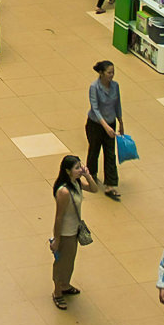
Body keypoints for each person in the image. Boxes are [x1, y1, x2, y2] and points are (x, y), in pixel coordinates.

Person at [50, 154, 97, 309]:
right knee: (62, 263)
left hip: (74, 231)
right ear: (68, 171)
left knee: (69, 261)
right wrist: (57, 240)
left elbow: (94, 189)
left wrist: (88, 176)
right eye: (77, 168)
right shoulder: (63, 192)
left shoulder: (76, 183)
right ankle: (57, 291)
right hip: (65, 233)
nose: (80, 169)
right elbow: (59, 218)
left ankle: (65, 285)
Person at [86, 60, 123, 200]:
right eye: (109, 73)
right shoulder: (94, 87)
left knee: (110, 153)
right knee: (94, 150)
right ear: (101, 73)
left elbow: (117, 104)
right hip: (96, 124)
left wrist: (120, 121)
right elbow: (95, 108)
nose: (111, 75)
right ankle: (91, 175)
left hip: (110, 123)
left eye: (113, 72)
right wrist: (105, 126)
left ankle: (110, 185)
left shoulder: (115, 86)